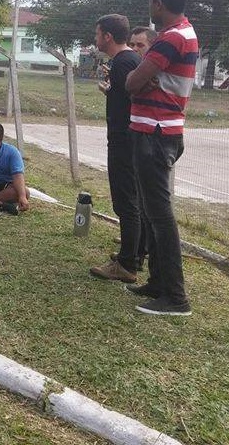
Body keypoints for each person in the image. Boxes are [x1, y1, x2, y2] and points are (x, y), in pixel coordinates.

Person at [124, 0, 198, 316]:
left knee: (160, 215)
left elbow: (131, 83)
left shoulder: (171, 38)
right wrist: (145, 78)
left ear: (158, 4)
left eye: (151, 3)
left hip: (156, 132)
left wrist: (141, 78)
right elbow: (142, 80)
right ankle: (157, 282)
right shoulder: (184, 33)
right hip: (159, 131)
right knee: (153, 212)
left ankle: (175, 296)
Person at [88, 15, 143, 284]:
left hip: (125, 141)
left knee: (126, 201)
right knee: (130, 200)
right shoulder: (128, 61)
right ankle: (133, 254)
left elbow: (137, 101)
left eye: (98, 34)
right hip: (128, 139)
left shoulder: (124, 62)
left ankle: (127, 264)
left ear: (108, 36)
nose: (96, 38)